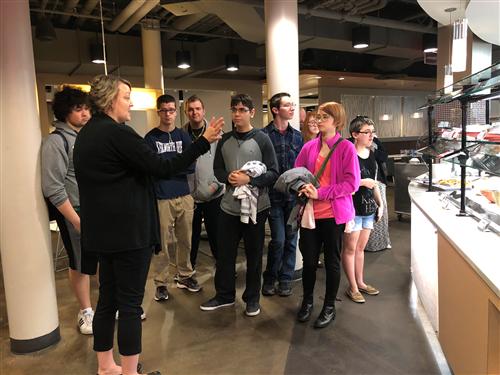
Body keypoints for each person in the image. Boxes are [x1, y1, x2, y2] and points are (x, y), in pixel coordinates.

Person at [74, 74, 223, 375]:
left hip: (103, 234)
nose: (131, 102)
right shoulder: (119, 134)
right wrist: (202, 142)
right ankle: (129, 372)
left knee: (108, 300)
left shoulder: (86, 135)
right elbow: (163, 168)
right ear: (109, 100)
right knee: (130, 305)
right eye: (126, 96)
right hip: (129, 234)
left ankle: (106, 366)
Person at [200, 93, 278, 317]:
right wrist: (229, 178)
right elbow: (217, 169)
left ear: (252, 112)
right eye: (234, 109)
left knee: (254, 256)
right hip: (228, 207)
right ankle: (224, 295)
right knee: (224, 255)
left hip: (256, 207)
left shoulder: (262, 138)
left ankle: (252, 299)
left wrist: (250, 180)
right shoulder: (224, 140)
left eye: (242, 110)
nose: (237, 114)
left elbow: (273, 172)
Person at [294, 102, 360, 329]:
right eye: (318, 115)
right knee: (309, 261)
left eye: (325, 116)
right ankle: (308, 301)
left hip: (333, 214)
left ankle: (329, 306)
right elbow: (297, 174)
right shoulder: (309, 147)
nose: (319, 120)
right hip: (310, 214)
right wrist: (301, 187)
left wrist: (320, 192)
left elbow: (352, 183)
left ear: (337, 121)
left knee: (332, 261)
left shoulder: (346, 148)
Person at [41, 86, 98, 335]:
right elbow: (53, 187)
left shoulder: (86, 138)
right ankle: (86, 311)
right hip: (75, 211)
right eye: (79, 109)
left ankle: (106, 306)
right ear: (66, 112)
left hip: (96, 209)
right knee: (80, 264)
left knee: (100, 261)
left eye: (86, 108)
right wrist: (76, 220)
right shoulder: (56, 141)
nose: (85, 113)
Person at [145, 94, 200, 303]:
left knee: (186, 238)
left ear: (176, 112)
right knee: (162, 243)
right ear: (158, 112)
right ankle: (161, 282)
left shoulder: (183, 136)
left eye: (171, 110)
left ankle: (185, 275)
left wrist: (166, 168)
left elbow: (191, 165)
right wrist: (170, 168)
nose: (168, 114)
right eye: (164, 110)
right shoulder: (150, 138)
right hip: (162, 197)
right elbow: (152, 168)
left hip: (184, 194)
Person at [261, 92, 303, 297]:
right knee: (278, 240)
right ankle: (270, 278)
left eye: (292, 104)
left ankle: (285, 278)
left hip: (293, 197)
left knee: (291, 239)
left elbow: (302, 166)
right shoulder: (263, 135)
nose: (292, 108)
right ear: (276, 110)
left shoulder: (297, 136)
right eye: (287, 105)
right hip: (273, 197)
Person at [342, 116, 384, 304]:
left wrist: (380, 203)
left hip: (368, 208)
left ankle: (360, 282)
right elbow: (342, 184)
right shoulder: (348, 154)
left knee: (360, 249)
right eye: (367, 132)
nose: (371, 136)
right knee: (350, 249)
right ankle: (352, 286)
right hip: (351, 209)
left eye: (372, 132)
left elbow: (373, 183)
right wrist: (360, 183)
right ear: (355, 134)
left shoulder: (371, 155)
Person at [183, 95, 224, 269]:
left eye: (198, 109)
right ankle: (188, 270)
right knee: (190, 237)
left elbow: (223, 164)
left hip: (214, 195)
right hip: (190, 197)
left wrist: (215, 185)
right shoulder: (181, 135)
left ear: (203, 110)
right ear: (186, 112)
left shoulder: (217, 133)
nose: (194, 112)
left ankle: (223, 268)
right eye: (191, 109)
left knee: (217, 235)